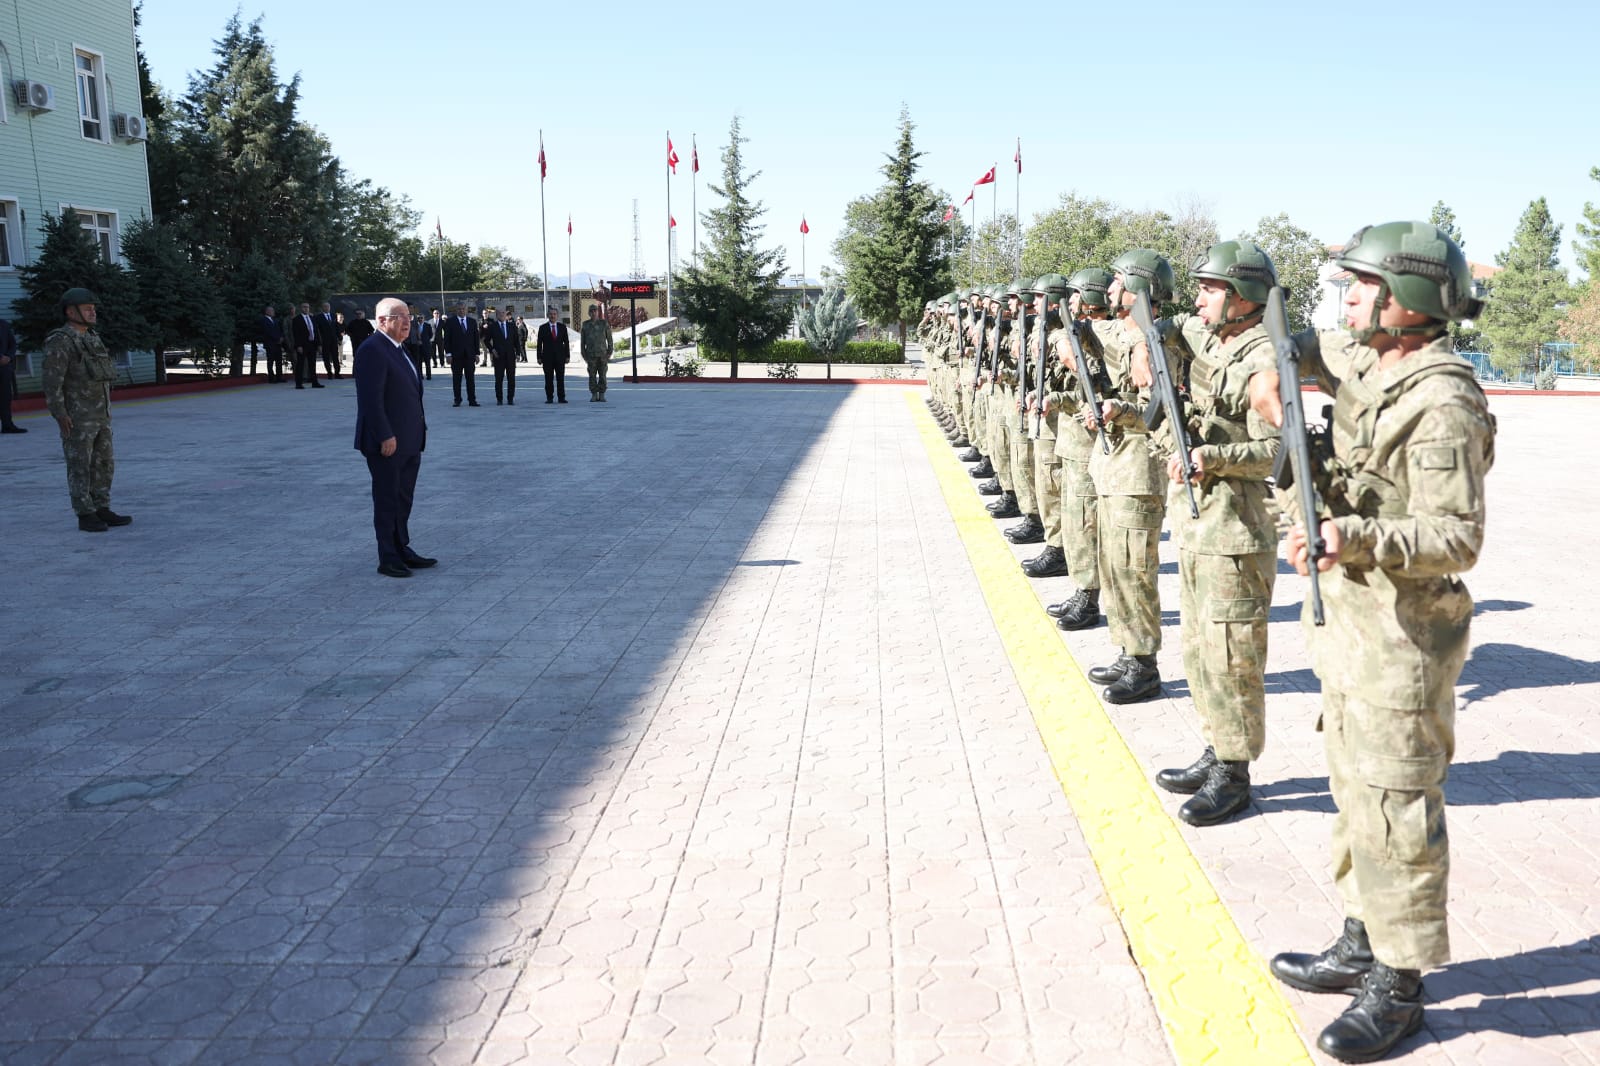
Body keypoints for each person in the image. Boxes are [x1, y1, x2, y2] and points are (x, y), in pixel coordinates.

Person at [1251, 222, 1494, 1063]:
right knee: (1355, 789)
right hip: (1353, 627)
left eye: (1359, 288)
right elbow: (1302, 350)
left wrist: (1351, 538)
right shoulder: (1371, 360)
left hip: (1405, 634)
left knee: (1398, 803)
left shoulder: (1442, 401)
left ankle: (1402, 980)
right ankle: (1364, 934)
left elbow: (1456, 536)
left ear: (1408, 300)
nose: (1344, 301)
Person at [1142, 241, 1282, 827]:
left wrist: (1212, 457)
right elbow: (1171, 331)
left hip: (1238, 533)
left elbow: (1277, 451)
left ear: (1243, 297)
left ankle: (1236, 773)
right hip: (1200, 528)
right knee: (1200, 654)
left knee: (1232, 659)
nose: (1199, 299)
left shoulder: (1266, 359)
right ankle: (1217, 746)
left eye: (1210, 289)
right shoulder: (1215, 337)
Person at [1082, 249, 1173, 704]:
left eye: (1118, 279)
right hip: (1114, 465)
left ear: (1140, 288)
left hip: (1141, 468)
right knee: (1114, 565)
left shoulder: (1159, 342)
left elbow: (1163, 411)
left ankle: (1144, 664)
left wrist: (1122, 409)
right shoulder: (1127, 332)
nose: (1109, 288)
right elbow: (1097, 332)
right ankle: (1126, 648)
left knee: (1135, 570)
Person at [354, 297, 435, 579]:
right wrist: (385, 434)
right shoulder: (373, 350)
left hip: (409, 440)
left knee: (403, 497)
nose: (407, 321)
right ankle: (387, 557)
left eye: (408, 316)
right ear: (382, 321)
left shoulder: (400, 349)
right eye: (399, 316)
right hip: (387, 442)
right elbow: (370, 400)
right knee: (388, 498)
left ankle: (402, 548)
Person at [42, 288, 131, 532]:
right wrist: (60, 414)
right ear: (71, 311)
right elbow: (52, 382)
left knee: (104, 463)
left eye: (93, 308)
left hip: (100, 415)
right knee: (80, 465)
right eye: (87, 308)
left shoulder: (92, 337)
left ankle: (101, 506)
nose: (93, 312)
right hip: (77, 418)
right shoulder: (60, 340)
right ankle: (85, 513)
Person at [440, 303, 481, 407]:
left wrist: (477, 354)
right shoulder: (450, 322)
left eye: (463, 309)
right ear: (456, 310)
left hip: (469, 356)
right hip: (456, 356)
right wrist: (448, 354)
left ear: (466, 310)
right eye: (459, 309)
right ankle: (457, 399)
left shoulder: (472, 322)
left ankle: (472, 400)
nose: (461, 311)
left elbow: (476, 339)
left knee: (470, 379)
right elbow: (447, 340)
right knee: (456, 380)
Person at [536, 306, 571, 403]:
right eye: (551, 314)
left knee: (560, 378)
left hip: (560, 357)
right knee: (548, 379)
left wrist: (567, 356)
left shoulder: (562, 327)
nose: (553, 316)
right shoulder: (542, 328)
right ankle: (549, 397)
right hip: (547, 358)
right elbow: (539, 344)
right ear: (548, 315)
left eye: (554, 314)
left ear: (557, 316)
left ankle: (561, 397)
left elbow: (566, 342)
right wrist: (539, 357)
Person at [487, 308, 521, 404]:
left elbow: (516, 341)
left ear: (506, 314)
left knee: (511, 379)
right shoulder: (492, 326)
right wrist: (492, 350)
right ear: (496, 315)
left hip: (510, 356)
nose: (501, 315)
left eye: (503, 313)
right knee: (499, 379)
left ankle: (510, 399)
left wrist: (518, 353)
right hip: (498, 357)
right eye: (499, 313)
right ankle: (499, 399)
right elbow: (486, 340)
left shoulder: (512, 326)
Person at [580, 304, 613, 401]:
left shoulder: (604, 323)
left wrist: (609, 353)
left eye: (595, 311)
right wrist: (584, 355)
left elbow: (609, 340)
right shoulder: (585, 325)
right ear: (589, 313)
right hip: (590, 355)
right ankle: (594, 394)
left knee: (603, 375)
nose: (593, 313)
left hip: (602, 355)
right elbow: (582, 342)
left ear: (598, 312)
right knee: (592, 376)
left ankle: (602, 394)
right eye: (591, 311)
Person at [290, 302, 325, 389]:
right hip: (302, 345)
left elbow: (316, 331)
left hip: (312, 344)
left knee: (312, 364)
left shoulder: (312, 318)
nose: (306, 309)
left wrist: (319, 344)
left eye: (308, 307)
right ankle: (298, 383)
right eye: (304, 307)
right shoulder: (297, 319)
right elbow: (296, 333)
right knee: (300, 364)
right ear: (301, 308)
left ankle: (314, 382)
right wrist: (298, 346)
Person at [0, 315, 24, 433]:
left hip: (4, 367)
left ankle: (7, 425)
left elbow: (12, 344)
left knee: (5, 397)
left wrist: (9, 357)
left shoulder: (3, 324)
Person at [404, 306, 434, 381]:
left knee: (427, 362)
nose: (420, 319)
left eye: (421, 318)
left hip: (426, 346)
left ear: (424, 318)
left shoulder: (428, 325)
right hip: (418, 346)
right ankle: (420, 375)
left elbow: (430, 334)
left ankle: (429, 375)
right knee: (419, 362)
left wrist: (425, 340)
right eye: (419, 318)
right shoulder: (415, 325)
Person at [260, 305, 286, 382]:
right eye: (272, 311)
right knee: (270, 361)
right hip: (270, 344)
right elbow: (267, 332)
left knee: (279, 361)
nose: (273, 312)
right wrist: (277, 339)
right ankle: (271, 378)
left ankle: (279, 377)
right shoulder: (264, 320)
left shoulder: (275, 320)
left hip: (278, 344)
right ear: (267, 311)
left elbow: (279, 330)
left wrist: (281, 338)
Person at [318, 301, 343, 378]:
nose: (326, 308)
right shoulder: (318, 317)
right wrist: (319, 342)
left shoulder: (334, 316)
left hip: (333, 340)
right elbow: (318, 330)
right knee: (326, 357)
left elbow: (337, 327)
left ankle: (337, 373)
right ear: (322, 308)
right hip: (324, 340)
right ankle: (329, 372)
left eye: (328, 306)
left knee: (335, 356)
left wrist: (339, 337)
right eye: (325, 306)